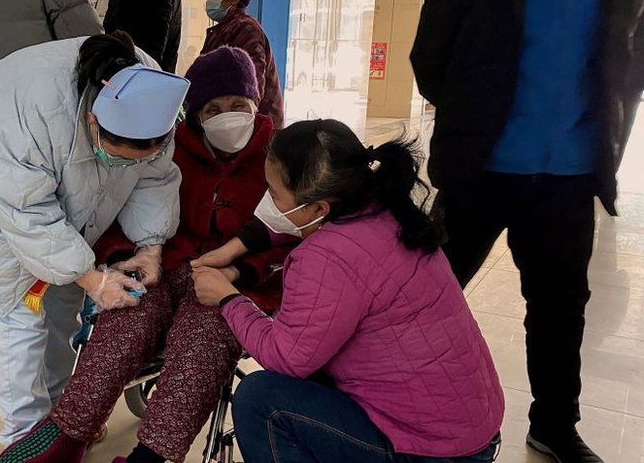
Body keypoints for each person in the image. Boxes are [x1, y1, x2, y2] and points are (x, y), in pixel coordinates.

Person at [410, 0, 644, 460]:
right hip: (480, 169)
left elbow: (631, 55)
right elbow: (430, 61)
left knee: (561, 310)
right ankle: (388, 404)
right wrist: (477, 114)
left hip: (569, 173)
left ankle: (555, 426)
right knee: (423, 298)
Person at [0, 47, 292, 463]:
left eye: (238, 106)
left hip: (237, 281)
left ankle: (153, 455)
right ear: (194, 114)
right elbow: (118, 206)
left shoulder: (278, 158)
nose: (228, 116)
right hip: (164, 263)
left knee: (204, 333)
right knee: (127, 314)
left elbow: (292, 237)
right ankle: (70, 431)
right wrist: (122, 258)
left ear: (255, 103)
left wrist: (243, 272)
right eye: (214, 108)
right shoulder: (164, 145)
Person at [192, 120, 505, 462]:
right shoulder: (386, 209)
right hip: (468, 425)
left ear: (318, 208)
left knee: (260, 398)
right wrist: (237, 248)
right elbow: (303, 230)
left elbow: (287, 357)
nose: (269, 201)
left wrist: (227, 297)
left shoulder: (325, 257)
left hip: (432, 449)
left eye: (275, 193)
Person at [0, 32, 190, 448]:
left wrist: (150, 246)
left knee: (63, 311)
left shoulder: (153, 98)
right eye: (118, 155)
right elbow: (25, 210)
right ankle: (25, 440)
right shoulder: (32, 99)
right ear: (93, 120)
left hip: (65, 200)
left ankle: (59, 419)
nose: (130, 164)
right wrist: (92, 279)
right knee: (21, 321)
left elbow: (155, 177)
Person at [201, 0, 285, 127]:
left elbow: (251, 83)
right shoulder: (222, 30)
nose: (209, 0)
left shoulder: (246, 29)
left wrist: (238, 125)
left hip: (255, 127)